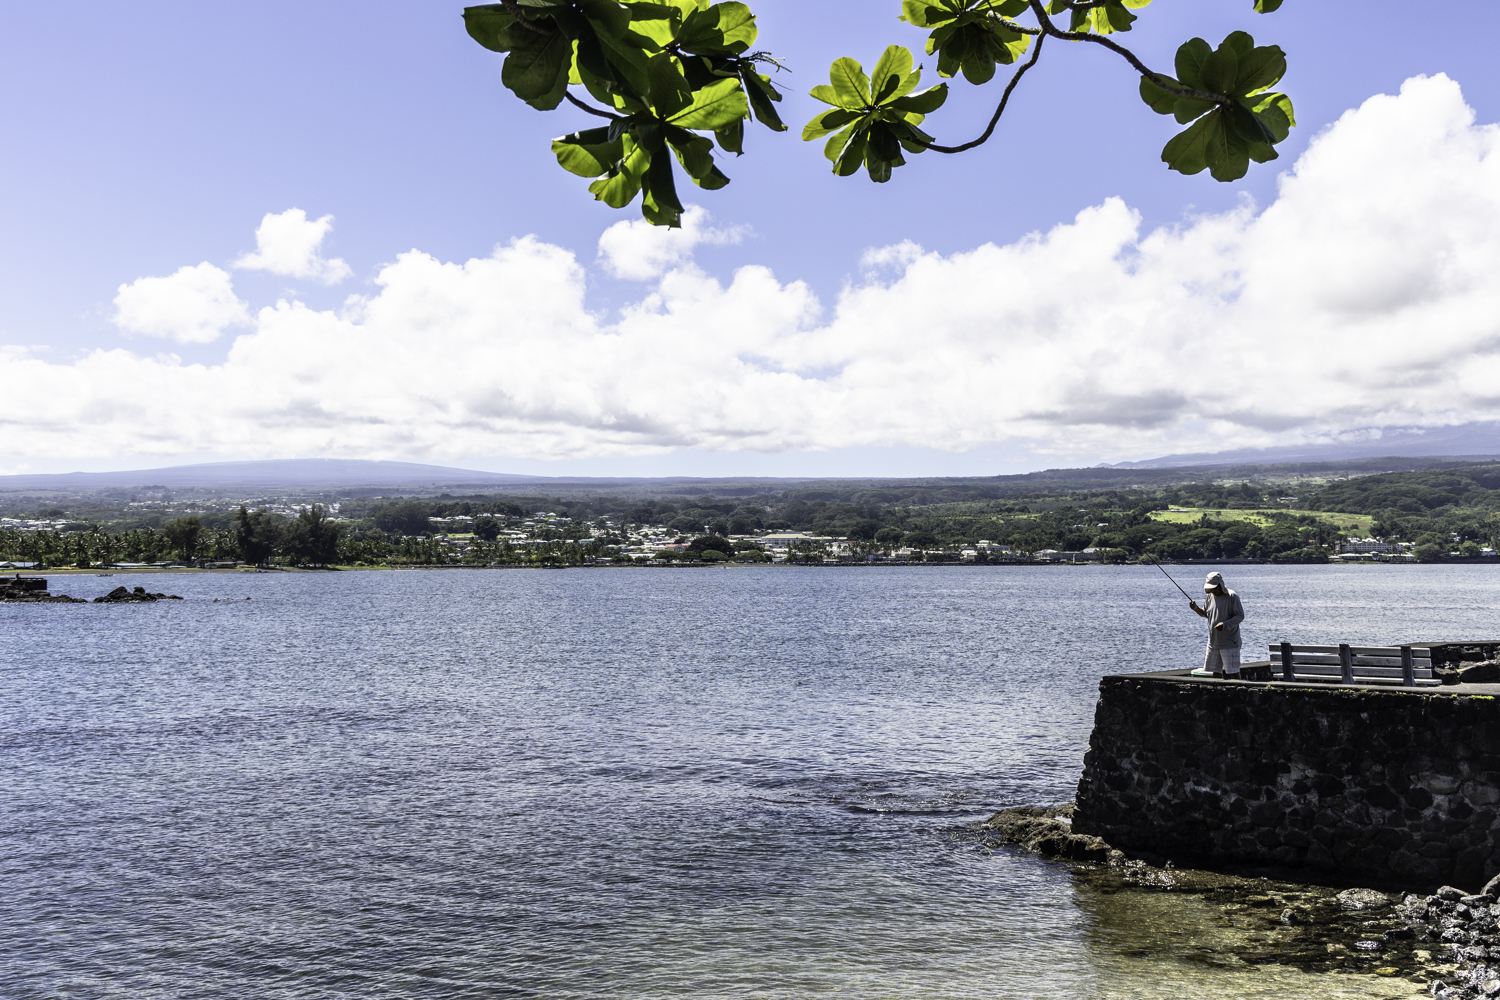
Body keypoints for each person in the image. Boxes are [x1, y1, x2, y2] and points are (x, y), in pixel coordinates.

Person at [1189, 570, 1244, 678]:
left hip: (1229, 642)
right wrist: (1195, 609)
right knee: (1215, 672)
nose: (1213, 590)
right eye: (1211, 588)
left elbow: (1240, 616)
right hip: (1213, 642)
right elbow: (1205, 614)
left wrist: (1225, 624)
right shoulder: (1209, 596)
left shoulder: (1232, 596)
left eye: (1215, 588)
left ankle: (1238, 693)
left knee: (1233, 672)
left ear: (1221, 584)